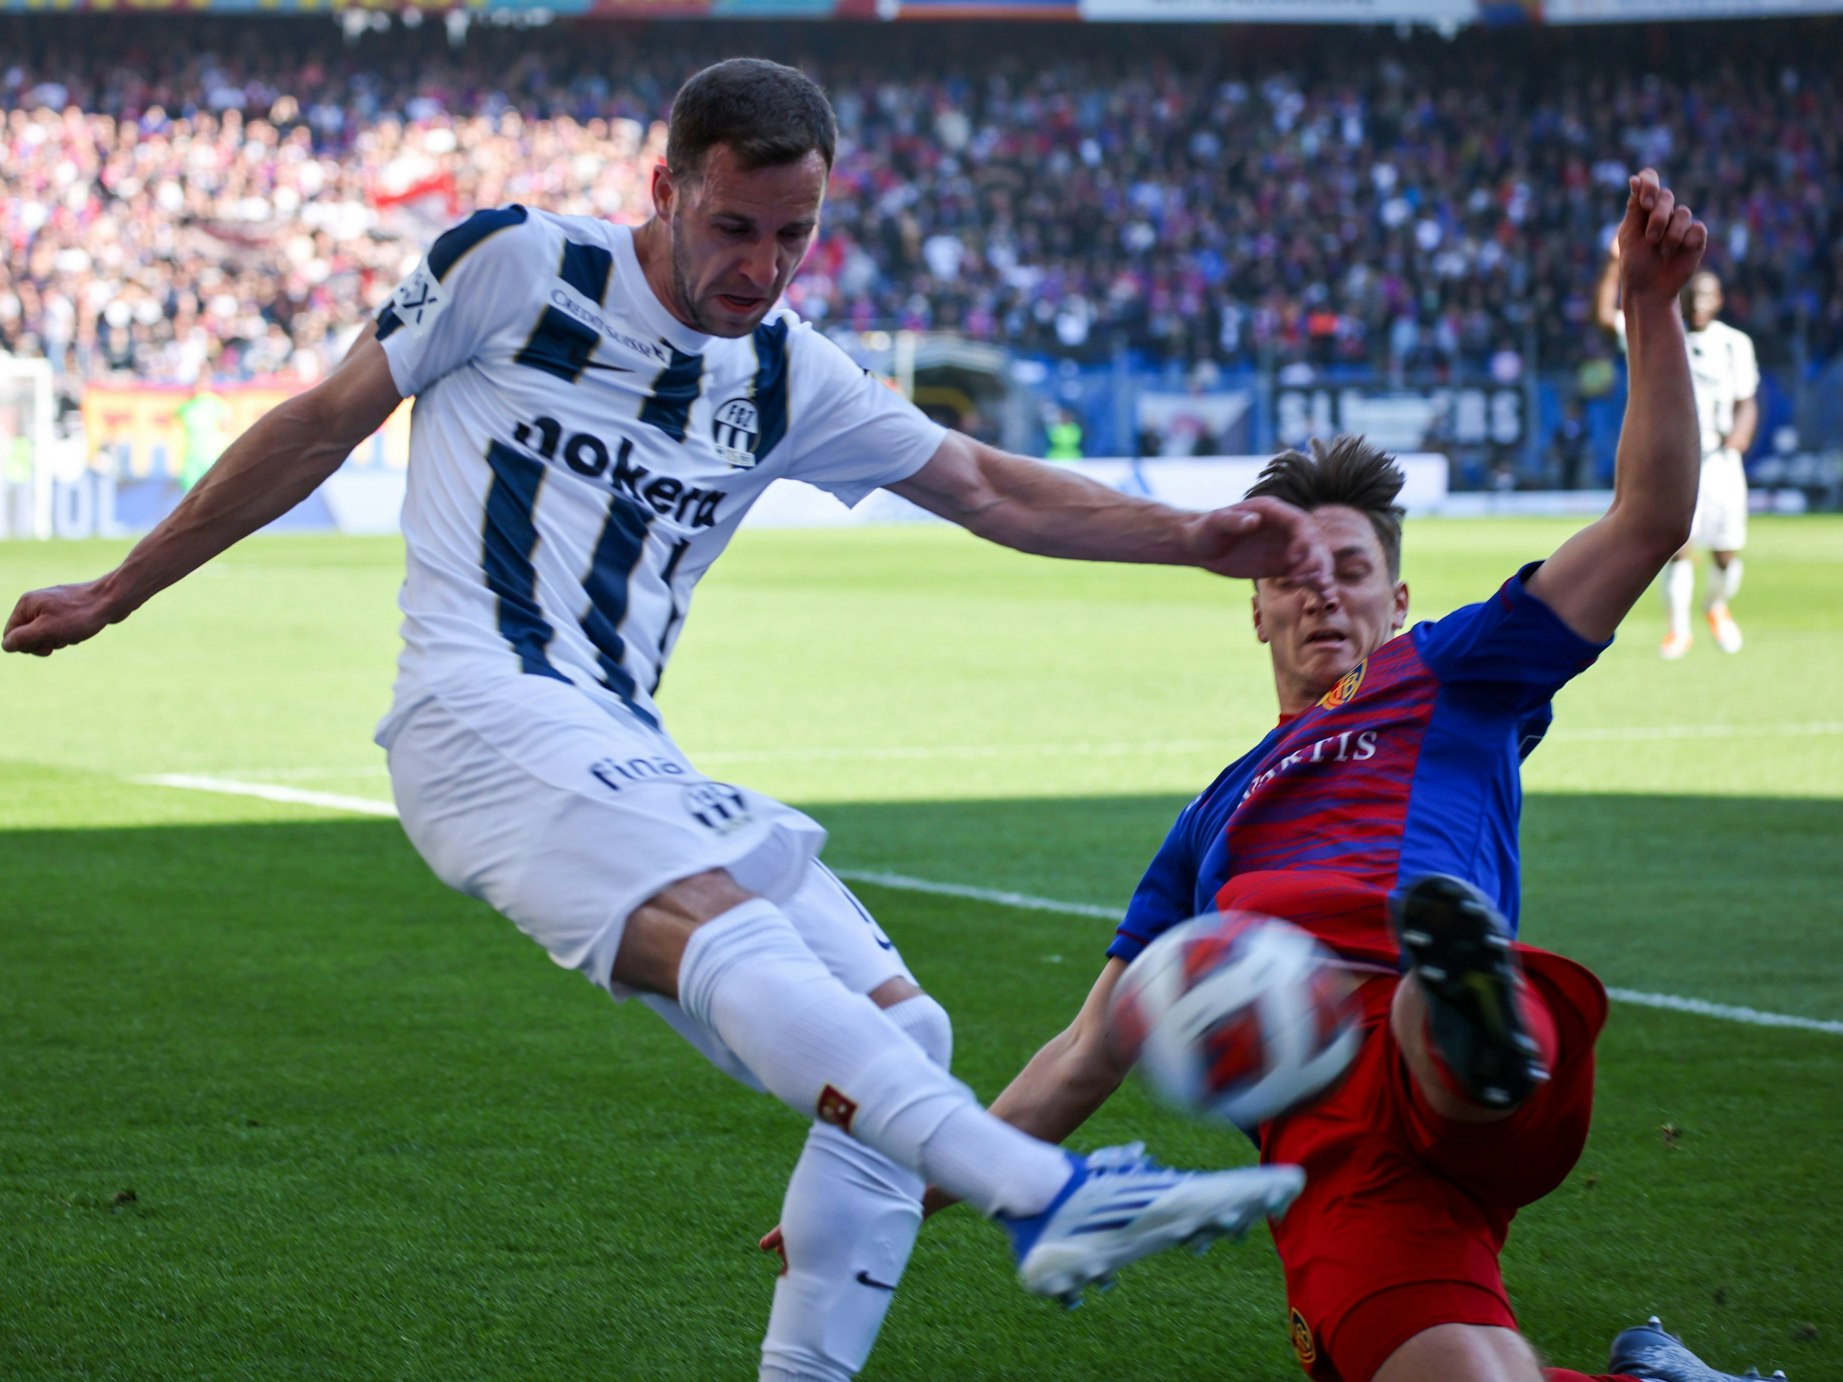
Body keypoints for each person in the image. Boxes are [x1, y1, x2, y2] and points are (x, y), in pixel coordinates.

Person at [3, 58, 1330, 1382]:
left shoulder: (787, 372)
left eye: (793, 237)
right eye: (733, 227)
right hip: (475, 715)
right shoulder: (515, 267)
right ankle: (1040, 1193)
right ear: (666, 187)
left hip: (619, 740)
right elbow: (319, 425)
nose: (760, 267)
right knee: (732, 926)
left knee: (901, 1029)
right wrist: (123, 586)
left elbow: (985, 486)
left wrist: (1191, 536)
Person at [892, 172, 1778, 1381]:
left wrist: (1651, 309)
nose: (1320, 586)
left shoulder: (1453, 663)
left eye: (1348, 566)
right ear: (1251, 605)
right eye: (1290, 569)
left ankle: (1457, 1007)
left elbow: (1646, 517)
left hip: (1435, 1037)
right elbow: (1088, 1046)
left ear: (1396, 596)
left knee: (1433, 1001)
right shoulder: (1213, 813)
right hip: (1325, 1138)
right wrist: (905, 1188)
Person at [1595, 246, 1759, 659]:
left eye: (1708, 296)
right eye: (1693, 294)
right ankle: (1678, 629)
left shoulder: (1734, 344)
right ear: (1681, 296)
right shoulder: (1663, 335)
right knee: (1679, 546)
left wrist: (1740, 436)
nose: (1700, 302)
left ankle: (1716, 606)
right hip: (1676, 460)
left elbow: (1747, 400)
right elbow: (1603, 319)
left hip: (1721, 460)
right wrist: (1616, 263)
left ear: (1719, 301)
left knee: (1725, 553)